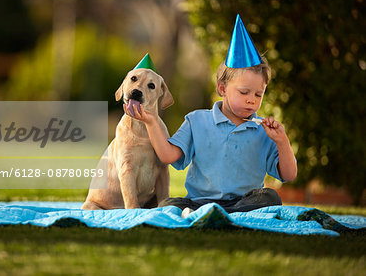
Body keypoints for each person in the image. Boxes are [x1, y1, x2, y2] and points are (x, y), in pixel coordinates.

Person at [123, 15, 297, 215]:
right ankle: (209, 213)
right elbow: (168, 155)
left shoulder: (263, 130)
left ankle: (215, 215)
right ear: (222, 88)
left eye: (259, 94)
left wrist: (282, 141)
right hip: (199, 202)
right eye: (244, 92)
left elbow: (289, 175)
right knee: (167, 204)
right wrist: (151, 122)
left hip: (244, 202)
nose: (252, 100)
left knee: (270, 197)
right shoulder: (196, 121)